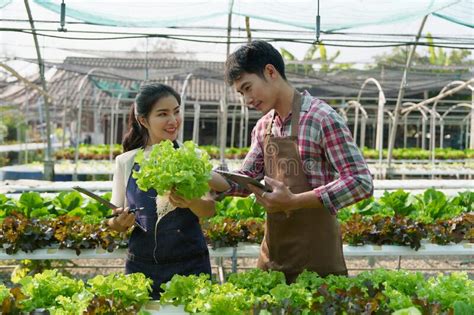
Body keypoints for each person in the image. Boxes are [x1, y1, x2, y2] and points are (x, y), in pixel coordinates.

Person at [210, 40, 373, 283]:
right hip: (274, 256)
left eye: (248, 87)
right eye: (241, 92)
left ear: (270, 72)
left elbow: (360, 182)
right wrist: (204, 175)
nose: (247, 99)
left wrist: (295, 201)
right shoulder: (264, 127)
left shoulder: (321, 118)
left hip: (317, 258)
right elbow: (245, 181)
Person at [109, 83, 215, 299]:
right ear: (143, 120)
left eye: (176, 111)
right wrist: (118, 223)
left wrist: (192, 202)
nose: (173, 120)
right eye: (163, 114)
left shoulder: (191, 155)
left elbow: (209, 209)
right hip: (142, 269)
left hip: (190, 267)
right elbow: (112, 219)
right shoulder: (126, 161)